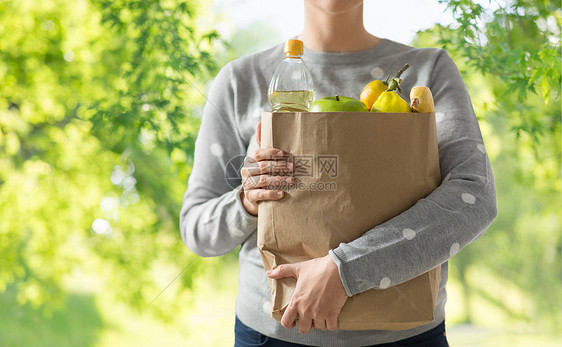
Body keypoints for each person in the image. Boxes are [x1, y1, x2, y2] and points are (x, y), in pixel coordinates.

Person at [180, 0, 497, 346]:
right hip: (271, 336)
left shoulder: (428, 71)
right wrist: (249, 201)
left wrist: (346, 270)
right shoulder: (240, 81)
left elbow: (475, 196)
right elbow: (196, 228)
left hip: (409, 337)